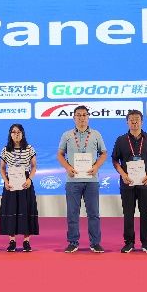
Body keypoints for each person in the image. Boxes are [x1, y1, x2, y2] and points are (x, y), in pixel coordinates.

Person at [57, 105, 108, 253]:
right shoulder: (67, 135)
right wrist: (68, 167)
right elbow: (60, 154)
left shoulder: (96, 134)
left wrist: (96, 166)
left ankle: (95, 243)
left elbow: (104, 153)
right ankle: (73, 242)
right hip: (73, 180)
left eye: (84, 115)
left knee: (93, 213)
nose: (81, 117)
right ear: (74, 118)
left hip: (91, 180)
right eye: (78, 115)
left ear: (88, 117)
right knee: (72, 213)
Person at [111, 110, 147, 254]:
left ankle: (146, 243)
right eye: (131, 120)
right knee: (128, 213)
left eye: (137, 119)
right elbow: (115, 160)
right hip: (127, 183)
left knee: (146, 213)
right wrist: (123, 174)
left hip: (146, 182)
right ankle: (129, 243)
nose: (134, 122)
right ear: (127, 122)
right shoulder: (121, 140)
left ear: (142, 122)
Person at [0, 124, 39, 252]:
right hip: (11, 182)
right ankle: (12, 241)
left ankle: (26, 241)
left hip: (25, 182)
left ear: (23, 134)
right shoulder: (5, 150)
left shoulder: (29, 148)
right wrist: (5, 181)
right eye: (14, 132)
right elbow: (2, 168)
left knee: (26, 210)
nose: (16, 134)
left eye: (19, 132)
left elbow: (34, 166)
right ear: (10, 134)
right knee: (11, 210)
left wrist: (29, 179)